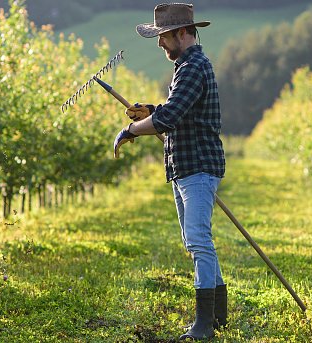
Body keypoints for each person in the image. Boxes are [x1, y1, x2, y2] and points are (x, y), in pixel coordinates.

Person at [112, 3, 227, 340]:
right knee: (196, 241)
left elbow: (169, 118)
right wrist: (150, 109)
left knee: (198, 240)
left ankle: (204, 322)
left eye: (163, 36)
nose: (159, 43)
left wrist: (131, 131)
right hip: (185, 166)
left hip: (198, 166)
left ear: (181, 33)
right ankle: (218, 316)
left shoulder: (193, 67)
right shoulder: (188, 67)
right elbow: (175, 108)